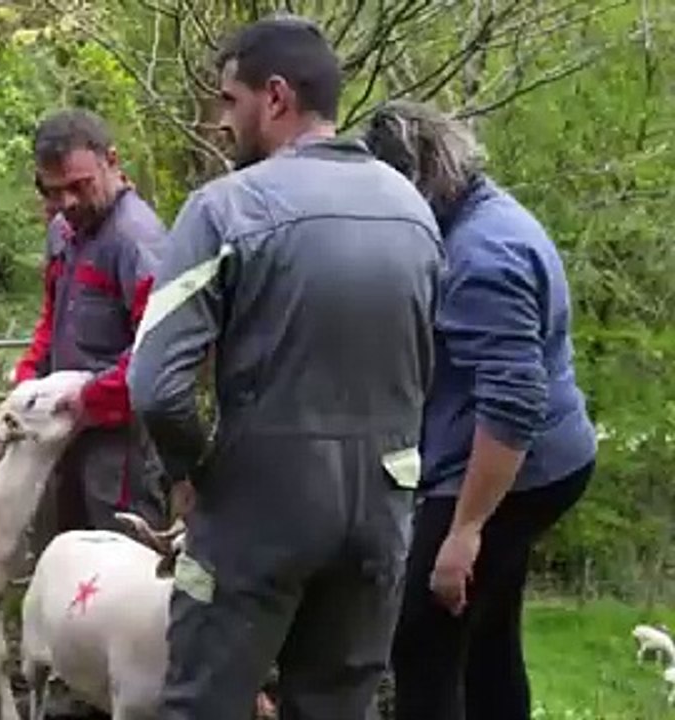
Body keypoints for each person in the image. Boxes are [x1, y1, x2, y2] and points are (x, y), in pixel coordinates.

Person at [127, 16, 445, 719]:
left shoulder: (226, 208)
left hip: (258, 505)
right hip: (383, 509)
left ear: (274, 98)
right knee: (337, 704)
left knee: (204, 701)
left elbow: (154, 384)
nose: (219, 122)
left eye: (227, 101)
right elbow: (428, 365)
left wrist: (191, 473)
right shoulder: (415, 212)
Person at [365, 100, 597, 720]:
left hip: (516, 470)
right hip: (541, 458)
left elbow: (514, 405)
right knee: (487, 634)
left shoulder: (482, 258)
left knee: (422, 633)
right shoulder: (482, 215)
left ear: (414, 182)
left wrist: (465, 533)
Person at [14, 107, 169, 553]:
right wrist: (27, 378)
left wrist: (88, 399)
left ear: (112, 161)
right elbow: (54, 318)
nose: (67, 202)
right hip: (61, 438)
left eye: (79, 186)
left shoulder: (138, 242)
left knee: (116, 573)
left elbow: (155, 353)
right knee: (57, 561)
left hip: (119, 452)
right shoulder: (64, 232)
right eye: (53, 190)